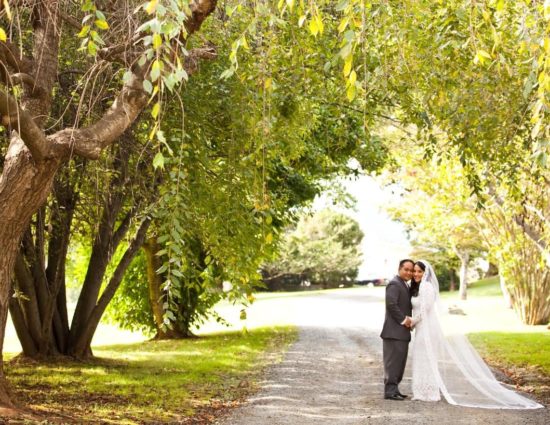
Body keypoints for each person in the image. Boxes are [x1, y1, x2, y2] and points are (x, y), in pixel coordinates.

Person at [410, 260, 543, 409]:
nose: (416, 274)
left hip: (428, 328)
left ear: (425, 273)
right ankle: (422, 391)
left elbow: (424, 310)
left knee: (426, 358)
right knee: (421, 357)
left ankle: (429, 392)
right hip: (422, 328)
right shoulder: (417, 287)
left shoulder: (427, 287)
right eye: (414, 271)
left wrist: (411, 321)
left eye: (419, 271)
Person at [380, 259, 414, 400]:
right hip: (393, 332)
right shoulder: (394, 284)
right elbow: (391, 305)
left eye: (411, 270)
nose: (409, 272)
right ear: (399, 269)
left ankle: (395, 389)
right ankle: (389, 391)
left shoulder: (404, 284)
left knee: (399, 364)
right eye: (406, 269)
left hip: (401, 333)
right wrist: (404, 320)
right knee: (392, 363)